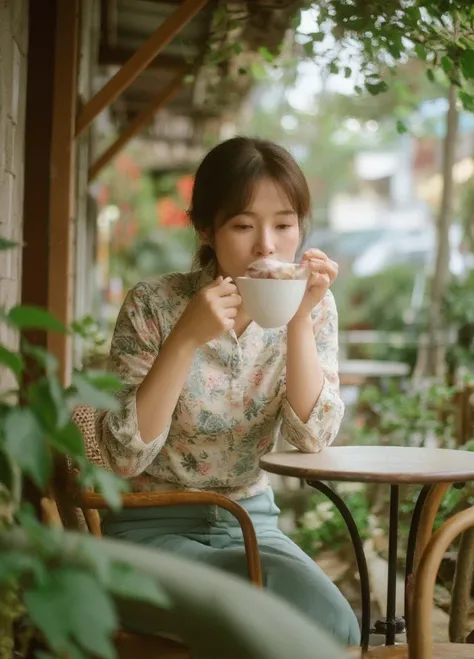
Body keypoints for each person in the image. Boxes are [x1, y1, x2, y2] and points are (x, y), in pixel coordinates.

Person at [99, 136, 360, 646]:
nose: (266, 244)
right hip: (147, 529)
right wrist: (185, 339)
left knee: (334, 624)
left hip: (249, 525)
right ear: (205, 229)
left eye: (284, 225)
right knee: (251, 622)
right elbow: (125, 457)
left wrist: (300, 318)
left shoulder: (314, 307)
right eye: (243, 225)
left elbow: (313, 439)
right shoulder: (154, 304)